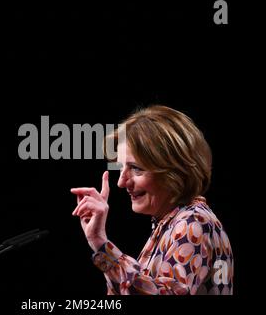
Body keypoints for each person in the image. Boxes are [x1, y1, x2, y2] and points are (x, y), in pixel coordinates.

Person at [71, 105, 234, 295]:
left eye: (136, 168)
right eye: (121, 167)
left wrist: (101, 243)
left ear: (174, 171)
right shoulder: (173, 223)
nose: (121, 182)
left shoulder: (192, 223)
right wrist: (97, 240)